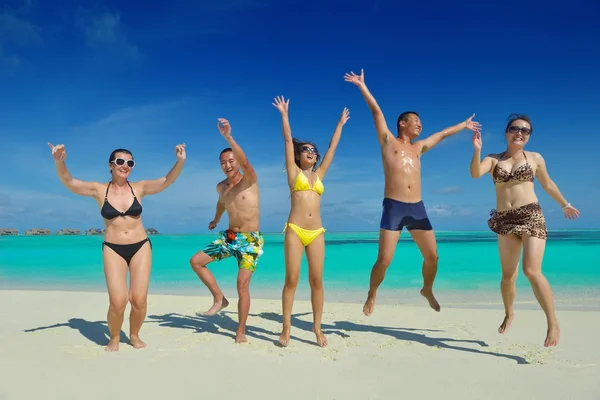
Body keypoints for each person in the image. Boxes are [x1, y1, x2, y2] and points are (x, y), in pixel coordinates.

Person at [344, 68, 481, 316]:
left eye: (421, 122)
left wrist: (463, 125)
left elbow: (441, 135)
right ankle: (372, 293)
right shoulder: (388, 141)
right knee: (384, 260)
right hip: (394, 207)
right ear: (402, 123)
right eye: (415, 121)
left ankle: (426, 289)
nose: (420, 124)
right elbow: (376, 111)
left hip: (417, 208)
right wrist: (362, 86)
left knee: (433, 258)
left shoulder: (418, 148)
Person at [48, 142, 186, 351]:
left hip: (141, 246)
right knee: (118, 301)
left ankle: (134, 335)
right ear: (110, 165)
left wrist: (179, 161)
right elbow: (70, 182)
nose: (125, 165)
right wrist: (60, 162)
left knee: (138, 299)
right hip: (113, 248)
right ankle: (114, 337)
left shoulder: (139, 187)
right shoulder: (99, 189)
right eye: (120, 161)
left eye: (130, 162)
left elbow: (168, 180)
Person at [470, 114, 580, 347]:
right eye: (514, 128)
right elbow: (474, 173)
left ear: (528, 136)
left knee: (531, 271)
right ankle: (509, 313)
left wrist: (565, 204)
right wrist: (477, 149)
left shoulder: (535, 158)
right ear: (506, 132)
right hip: (504, 220)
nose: (519, 132)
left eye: (525, 130)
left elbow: (547, 183)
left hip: (531, 215)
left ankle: (552, 322)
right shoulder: (492, 159)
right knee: (508, 277)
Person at [272, 96, 350, 348]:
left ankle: (317, 329)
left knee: (317, 281)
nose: (312, 153)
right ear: (298, 156)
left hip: (316, 231)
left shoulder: (319, 174)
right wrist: (284, 114)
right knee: (291, 280)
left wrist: (339, 124)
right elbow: (286, 139)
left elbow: (331, 149)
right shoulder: (294, 173)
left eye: (313, 151)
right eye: (306, 150)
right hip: (295, 230)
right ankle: (286, 329)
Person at [189, 118, 263, 344]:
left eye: (231, 161)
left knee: (242, 285)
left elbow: (246, 161)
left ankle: (240, 330)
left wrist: (228, 137)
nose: (228, 165)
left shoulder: (249, 179)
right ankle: (220, 298)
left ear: (237, 162)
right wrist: (215, 219)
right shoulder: (221, 187)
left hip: (251, 240)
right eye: (223, 162)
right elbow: (222, 203)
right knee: (196, 261)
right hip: (230, 236)